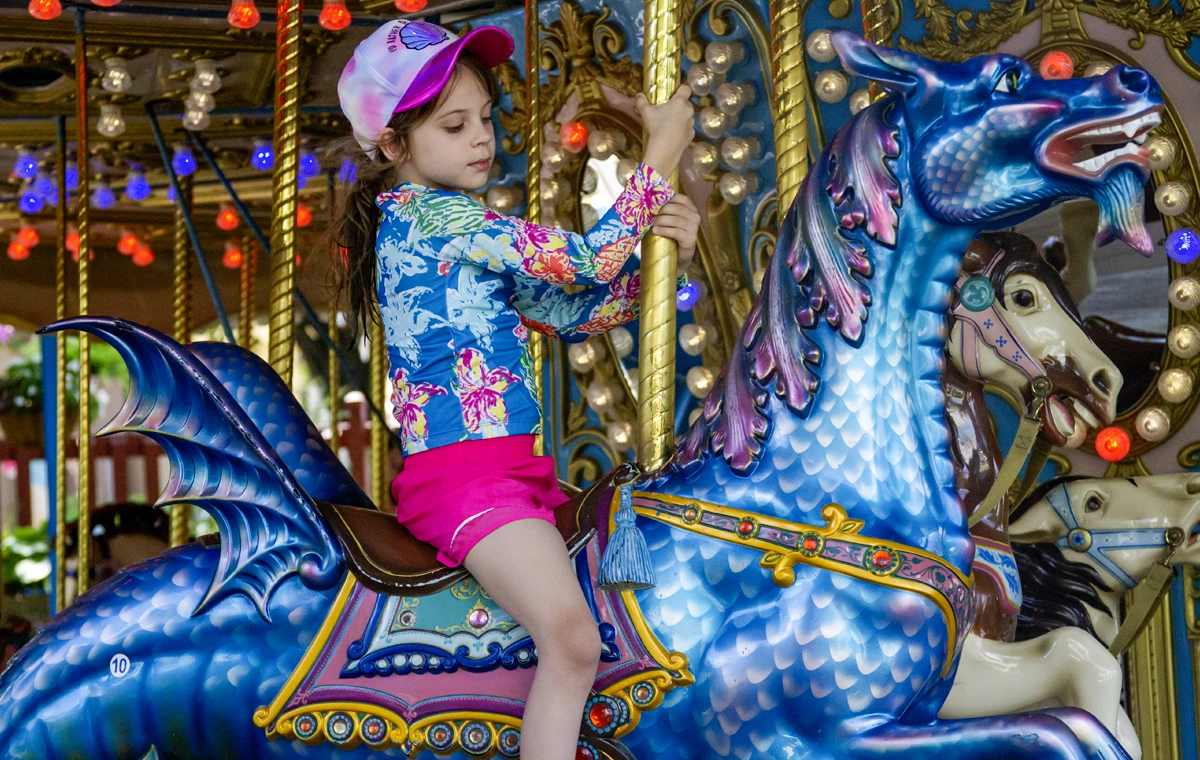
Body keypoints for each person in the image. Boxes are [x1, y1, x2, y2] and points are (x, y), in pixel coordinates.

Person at [335, 18, 699, 760]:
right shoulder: (435, 218)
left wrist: (669, 262)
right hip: (466, 482)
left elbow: (576, 312)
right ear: (394, 146)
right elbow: (589, 261)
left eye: (485, 119)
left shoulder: (452, 229)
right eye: (455, 125)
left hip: (515, 473)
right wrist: (660, 150)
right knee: (574, 640)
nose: (482, 138)